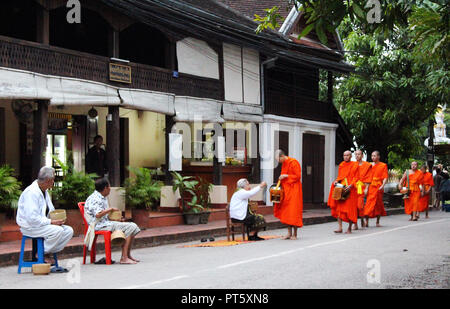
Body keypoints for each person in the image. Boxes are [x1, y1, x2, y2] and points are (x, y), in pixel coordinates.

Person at [16, 167, 74, 260]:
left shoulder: (44, 191)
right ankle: (41, 253)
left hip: (42, 224)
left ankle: (46, 251)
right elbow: (32, 218)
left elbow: (50, 210)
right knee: (57, 231)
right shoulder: (31, 192)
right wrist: (51, 222)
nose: (54, 181)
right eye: (53, 179)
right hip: (30, 226)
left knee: (68, 231)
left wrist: (57, 219)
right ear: (48, 180)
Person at [84, 178, 141, 264]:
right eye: (109, 186)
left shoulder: (102, 197)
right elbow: (98, 214)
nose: (110, 188)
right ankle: (124, 258)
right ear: (106, 188)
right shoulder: (95, 198)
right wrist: (110, 209)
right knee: (131, 226)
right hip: (99, 225)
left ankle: (128, 255)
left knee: (132, 226)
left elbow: (104, 216)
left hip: (105, 223)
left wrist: (117, 219)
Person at [274, 150, 303, 240]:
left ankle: (295, 234)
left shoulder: (293, 162)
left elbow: (297, 176)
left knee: (294, 211)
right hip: (286, 190)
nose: (278, 162)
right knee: (286, 212)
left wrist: (286, 176)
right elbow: (284, 175)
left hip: (294, 190)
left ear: (282, 156)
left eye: (278, 159)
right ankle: (289, 233)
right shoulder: (284, 163)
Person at [327, 150, 358, 234]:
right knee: (338, 209)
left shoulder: (355, 165)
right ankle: (340, 227)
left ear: (351, 156)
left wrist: (351, 185)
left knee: (350, 209)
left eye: (347, 155)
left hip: (351, 189)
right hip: (341, 189)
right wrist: (336, 181)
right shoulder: (341, 165)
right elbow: (340, 177)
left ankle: (349, 228)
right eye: (344, 155)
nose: (346, 157)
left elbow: (356, 177)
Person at [363, 151, 388, 227]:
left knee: (378, 204)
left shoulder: (383, 165)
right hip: (370, 186)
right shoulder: (369, 165)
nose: (373, 157)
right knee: (368, 204)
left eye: (374, 156)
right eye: (372, 156)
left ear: (378, 157)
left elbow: (385, 177)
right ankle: (366, 221)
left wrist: (383, 185)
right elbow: (366, 177)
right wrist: (366, 187)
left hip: (378, 186)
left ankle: (377, 221)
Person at [354, 149, 372, 229]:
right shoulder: (353, 165)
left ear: (362, 155)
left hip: (362, 187)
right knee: (354, 206)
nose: (357, 156)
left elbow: (368, 177)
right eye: (356, 154)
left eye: (359, 154)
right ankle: (355, 224)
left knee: (360, 206)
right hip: (354, 187)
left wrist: (367, 188)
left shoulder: (367, 165)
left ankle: (361, 219)